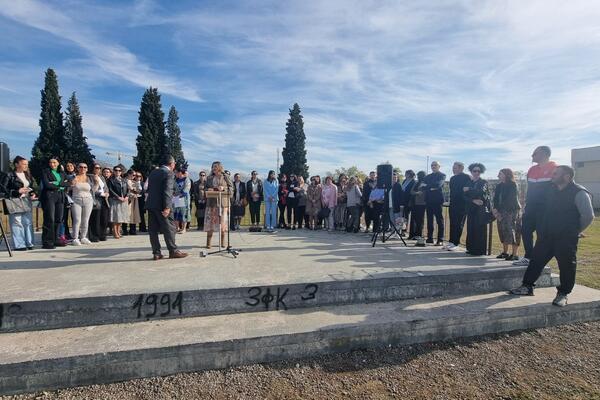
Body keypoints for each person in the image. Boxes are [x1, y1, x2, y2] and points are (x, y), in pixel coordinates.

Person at [510, 166, 594, 307]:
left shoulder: (579, 192)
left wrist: (575, 230)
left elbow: (588, 216)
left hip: (565, 238)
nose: (552, 176)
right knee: (535, 261)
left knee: (567, 266)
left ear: (567, 177)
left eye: (555, 174)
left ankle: (563, 294)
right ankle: (527, 286)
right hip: (546, 236)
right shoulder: (551, 190)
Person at [512, 146, 558, 266]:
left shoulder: (555, 168)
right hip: (531, 207)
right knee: (525, 230)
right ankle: (528, 257)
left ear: (544, 154)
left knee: (542, 234)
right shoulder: (532, 169)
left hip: (546, 209)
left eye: (534, 154)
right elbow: (529, 189)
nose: (532, 156)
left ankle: (539, 258)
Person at [146, 155, 188, 260]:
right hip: (162, 205)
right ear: (171, 164)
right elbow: (167, 191)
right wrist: (167, 207)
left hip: (151, 204)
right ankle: (173, 251)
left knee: (153, 230)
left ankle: (156, 253)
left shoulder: (153, 172)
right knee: (169, 228)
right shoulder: (169, 173)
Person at [4, 156, 37, 250]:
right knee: (17, 222)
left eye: (27, 164)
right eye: (24, 164)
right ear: (16, 164)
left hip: (27, 201)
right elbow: (3, 190)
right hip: (14, 201)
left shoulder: (28, 175)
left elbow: (31, 186)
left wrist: (32, 193)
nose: (26, 166)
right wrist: (17, 191)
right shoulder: (9, 175)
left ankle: (29, 243)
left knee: (28, 222)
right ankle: (19, 245)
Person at [493, 168, 522, 261]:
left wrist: (502, 212)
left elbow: (510, 199)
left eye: (500, 174)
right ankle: (505, 252)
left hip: (512, 211)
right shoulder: (499, 186)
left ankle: (514, 254)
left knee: (512, 230)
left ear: (506, 174)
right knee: (502, 230)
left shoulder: (513, 185)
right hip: (501, 211)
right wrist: (496, 210)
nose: (498, 175)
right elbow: (496, 199)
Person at [40, 157, 69, 249]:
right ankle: (47, 241)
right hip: (50, 196)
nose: (52, 164)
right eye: (51, 162)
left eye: (54, 162)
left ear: (58, 163)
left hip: (60, 196)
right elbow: (47, 184)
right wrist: (61, 184)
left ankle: (56, 239)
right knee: (50, 219)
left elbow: (68, 183)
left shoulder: (62, 172)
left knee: (58, 219)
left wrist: (56, 183)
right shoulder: (46, 172)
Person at [463, 163, 491, 256]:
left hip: (480, 210)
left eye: (478, 171)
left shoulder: (483, 182)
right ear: (471, 171)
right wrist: (473, 200)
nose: (476, 172)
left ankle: (479, 250)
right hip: (471, 209)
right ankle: (470, 248)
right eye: (474, 171)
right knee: (470, 229)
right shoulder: (468, 182)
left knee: (480, 230)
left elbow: (482, 192)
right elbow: (464, 196)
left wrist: (469, 189)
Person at [205, 161, 233, 248]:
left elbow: (231, 188)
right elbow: (205, 188)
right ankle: (208, 242)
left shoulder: (225, 177)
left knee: (223, 223)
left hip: (223, 203)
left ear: (220, 168)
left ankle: (222, 242)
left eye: (216, 166)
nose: (214, 168)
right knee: (211, 224)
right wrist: (209, 189)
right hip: (212, 203)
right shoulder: (209, 178)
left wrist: (223, 188)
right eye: (213, 167)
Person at [69, 163, 98, 246]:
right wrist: (72, 184)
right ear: (77, 168)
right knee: (77, 220)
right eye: (81, 167)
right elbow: (68, 188)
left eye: (85, 167)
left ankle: (83, 237)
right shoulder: (73, 177)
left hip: (88, 200)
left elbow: (94, 190)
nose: (83, 168)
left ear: (87, 169)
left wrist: (97, 183)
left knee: (86, 219)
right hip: (76, 200)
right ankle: (75, 238)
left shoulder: (90, 178)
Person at [447, 162, 471, 250]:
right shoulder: (452, 178)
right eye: (453, 168)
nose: (453, 169)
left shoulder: (466, 177)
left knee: (459, 224)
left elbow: (467, 191)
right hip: (453, 203)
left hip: (462, 205)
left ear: (461, 168)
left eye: (455, 168)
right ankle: (451, 241)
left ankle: (456, 243)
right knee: (452, 223)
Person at [423, 161, 446, 245]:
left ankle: (440, 239)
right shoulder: (428, 176)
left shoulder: (442, 175)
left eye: (435, 165)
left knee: (439, 221)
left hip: (437, 201)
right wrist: (430, 187)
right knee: (429, 220)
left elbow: (438, 185)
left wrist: (427, 186)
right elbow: (422, 187)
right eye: (432, 165)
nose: (433, 166)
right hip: (428, 200)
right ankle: (430, 238)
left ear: (439, 166)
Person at [88, 164, 110, 242]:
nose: (98, 169)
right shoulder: (89, 177)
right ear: (93, 169)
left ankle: (102, 235)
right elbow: (91, 189)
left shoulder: (102, 177)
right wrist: (100, 194)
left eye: (99, 168)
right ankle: (94, 236)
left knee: (104, 218)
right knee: (95, 218)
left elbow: (106, 187)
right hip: (96, 199)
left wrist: (107, 193)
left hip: (104, 199)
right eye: (96, 168)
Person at [107, 165, 129, 239]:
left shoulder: (124, 180)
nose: (118, 172)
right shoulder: (111, 180)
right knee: (115, 216)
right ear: (113, 171)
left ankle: (119, 231)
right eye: (116, 170)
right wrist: (118, 197)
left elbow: (128, 189)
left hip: (123, 200)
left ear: (121, 172)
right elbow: (110, 190)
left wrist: (127, 196)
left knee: (121, 217)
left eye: (119, 170)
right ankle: (115, 232)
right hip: (115, 200)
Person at [173, 168, 191, 234]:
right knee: (176, 213)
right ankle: (177, 228)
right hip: (176, 199)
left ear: (180, 172)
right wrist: (173, 193)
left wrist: (181, 194)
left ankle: (183, 228)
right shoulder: (175, 179)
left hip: (184, 199)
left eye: (176, 172)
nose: (175, 174)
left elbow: (187, 188)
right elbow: (173, 188)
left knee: (184, 213)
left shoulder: (186, 179)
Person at [124, 169, 142, 235]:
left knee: (133, 214)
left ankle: (132, 230)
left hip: (134, 200)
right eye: (133, 175)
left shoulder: (134, 181)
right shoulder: (125, 181)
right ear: (129, 174)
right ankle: (124, 230)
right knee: (126, 214)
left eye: (135, 175)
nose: (134, 176)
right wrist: (131, 194)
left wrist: (138, 183)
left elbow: (139, 190)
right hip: (127, 199)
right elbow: (125, 190)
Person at [410, 171, 427, 239]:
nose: (418, 177)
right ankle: (412, 234)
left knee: (420, 219)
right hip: (414, 203)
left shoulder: (425, 183)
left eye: (419, 175)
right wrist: (416, 193)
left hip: (421, 203)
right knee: (413, 219)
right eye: (418, 175)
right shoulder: (416, 183)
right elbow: (411, 191)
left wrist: (417, 193)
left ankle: (419, 234)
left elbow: (424, 192)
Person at [400, 170, 416, 235]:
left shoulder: (413, 181)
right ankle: (402, 230)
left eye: (406, 173)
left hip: (409, 201)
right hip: (403, 201)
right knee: (403, 216)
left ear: (410, 174)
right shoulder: (404, 181)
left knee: (407, 216)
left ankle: (406, 231)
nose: (405, 174)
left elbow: (411, 192)